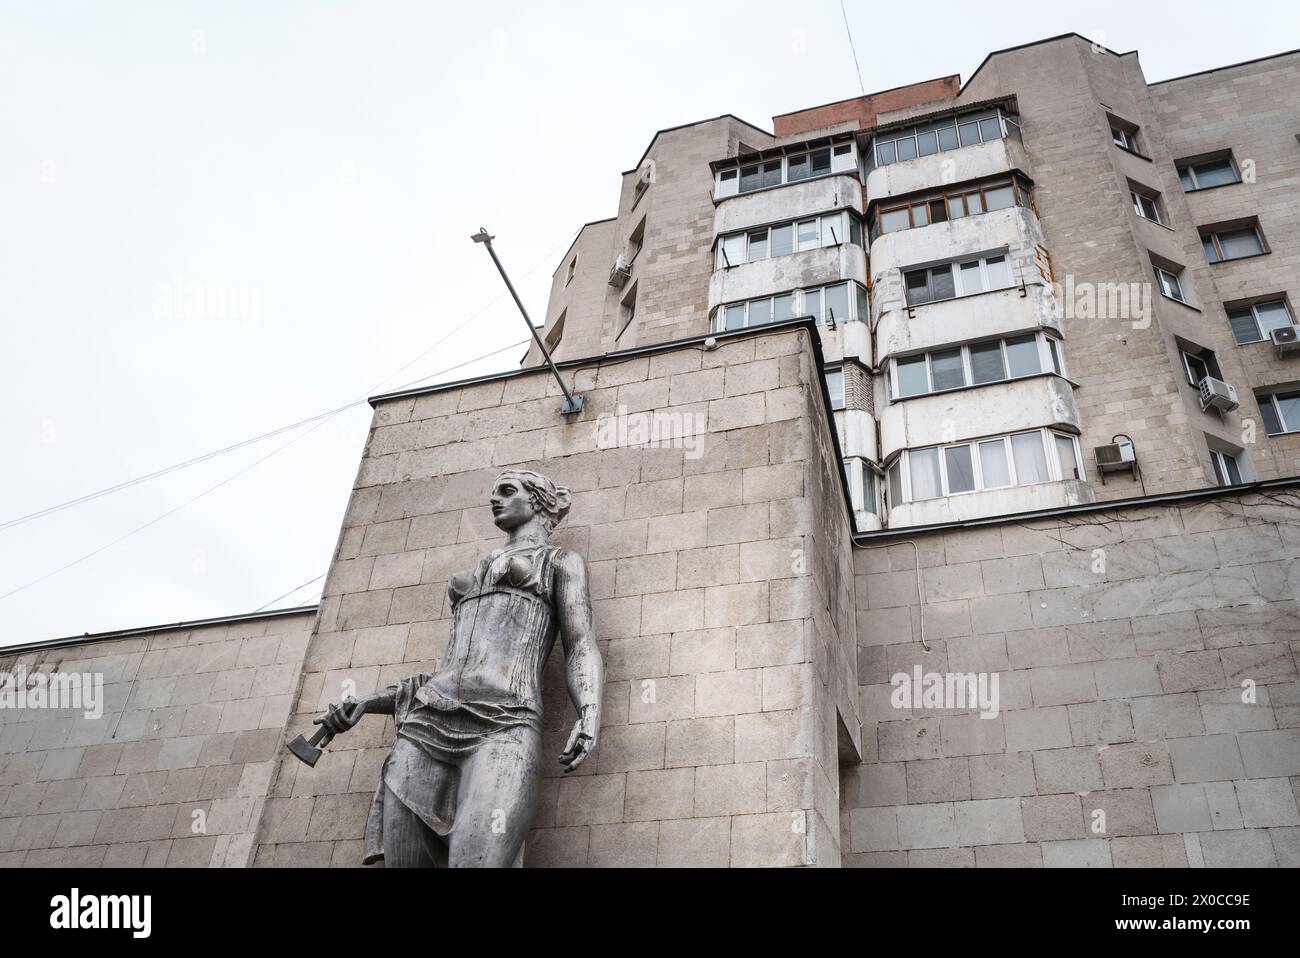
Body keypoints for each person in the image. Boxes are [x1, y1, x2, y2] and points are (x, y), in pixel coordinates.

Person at [313, 469, 603, 867]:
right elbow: (451, 666)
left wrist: (588, 710)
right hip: (426, 723)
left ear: (537, 501)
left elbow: (581, 642)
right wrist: (366, 703)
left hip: (504, 724)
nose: (494, 500)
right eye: (493, 493)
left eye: (506, 491)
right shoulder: (475, 572)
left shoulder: (559, 562)